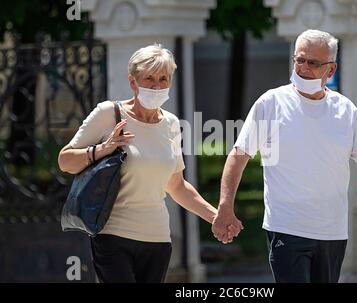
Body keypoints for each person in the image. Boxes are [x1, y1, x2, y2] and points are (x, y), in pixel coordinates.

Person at [211, 29, 357, 283]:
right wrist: (225, 207)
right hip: (286, 229)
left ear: (330, 70)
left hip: (332, 232)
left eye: (313, 63)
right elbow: (239, 155)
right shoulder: (270, 103)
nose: (303, 68)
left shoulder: (345, 110)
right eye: (299, 59)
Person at [58, 44, 238, 283]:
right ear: (133, 82)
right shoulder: (109, 114)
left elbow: (176, 186)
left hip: (157, 240)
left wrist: (217, 217)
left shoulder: (171, 124)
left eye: (163, 79)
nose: (156, 85)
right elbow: (65, 161)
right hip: (113, 236)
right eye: (149, 78)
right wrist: (103, 149)